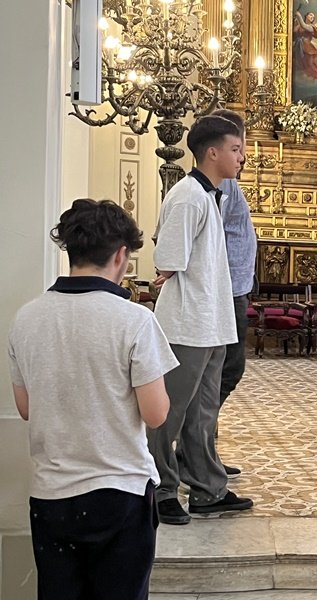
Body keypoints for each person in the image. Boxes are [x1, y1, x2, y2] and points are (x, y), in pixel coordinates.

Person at [7, 199, 178, 600]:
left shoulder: (26, 317)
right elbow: (156, 415)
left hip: (52, 494)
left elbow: (26, 409)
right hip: (120, 493)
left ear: (71, 250)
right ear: (121, 255)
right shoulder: (135, 320)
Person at [149, 115, 253, 524]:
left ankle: (208, 489)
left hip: (211, 322)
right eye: (235, 149)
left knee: (203, 413)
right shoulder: (189, 197)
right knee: (170, 413)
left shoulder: (211, 196)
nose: (241, 157)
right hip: (187, 323)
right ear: (212, 152)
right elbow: (167, 259)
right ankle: (160, 489)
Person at [213, 108, 257, 478]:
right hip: (225, 291)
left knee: (224, 370)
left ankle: (200, 448)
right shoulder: (223, 185)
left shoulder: (229, 185)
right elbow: (213, 232)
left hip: (233, 287)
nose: (243, 156)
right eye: (238, 147)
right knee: (225, 369)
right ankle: (197, 449)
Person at [293, 11, 317, 88]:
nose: (312, 17)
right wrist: (294, 21)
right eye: (310, 15)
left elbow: (304, 26)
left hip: (307, 48)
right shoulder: (299, 26)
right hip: (298, 47)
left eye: (313, 17)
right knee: (300, 65)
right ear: (306, 16)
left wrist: (299, 16)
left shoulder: (312, 27)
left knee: (310, 64)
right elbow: (294, 33)